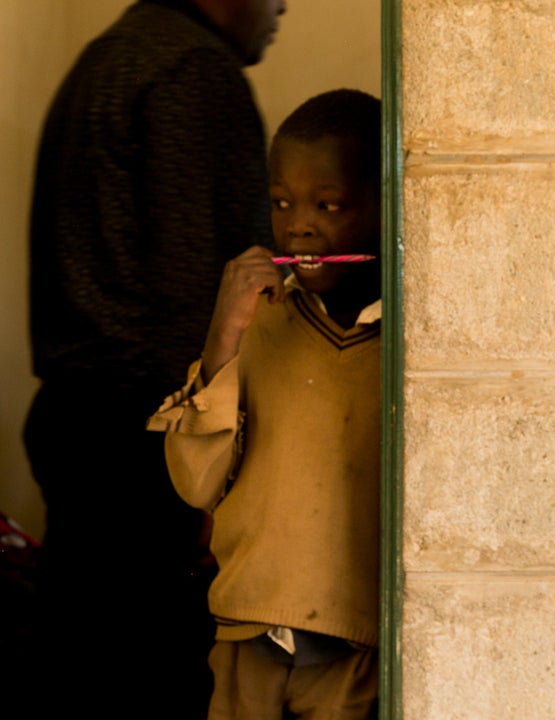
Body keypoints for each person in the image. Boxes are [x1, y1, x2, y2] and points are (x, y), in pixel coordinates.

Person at [24, 1, 286, 717]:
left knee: (81, 662)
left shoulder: (115, 53)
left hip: (78, 417)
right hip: (144, 435)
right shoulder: (193, 69)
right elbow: (198, 292)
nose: (282, 5)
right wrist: (211, 466)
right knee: (148, 673)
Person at [147, 88, 382, 720]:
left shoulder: (407, 351)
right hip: (243, 638)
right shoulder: (260, 326)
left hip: (353, 648)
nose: (299, 225)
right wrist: (223, 334)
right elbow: (196, 484)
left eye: (328, 206)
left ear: (387, 205)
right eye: (281, 203)